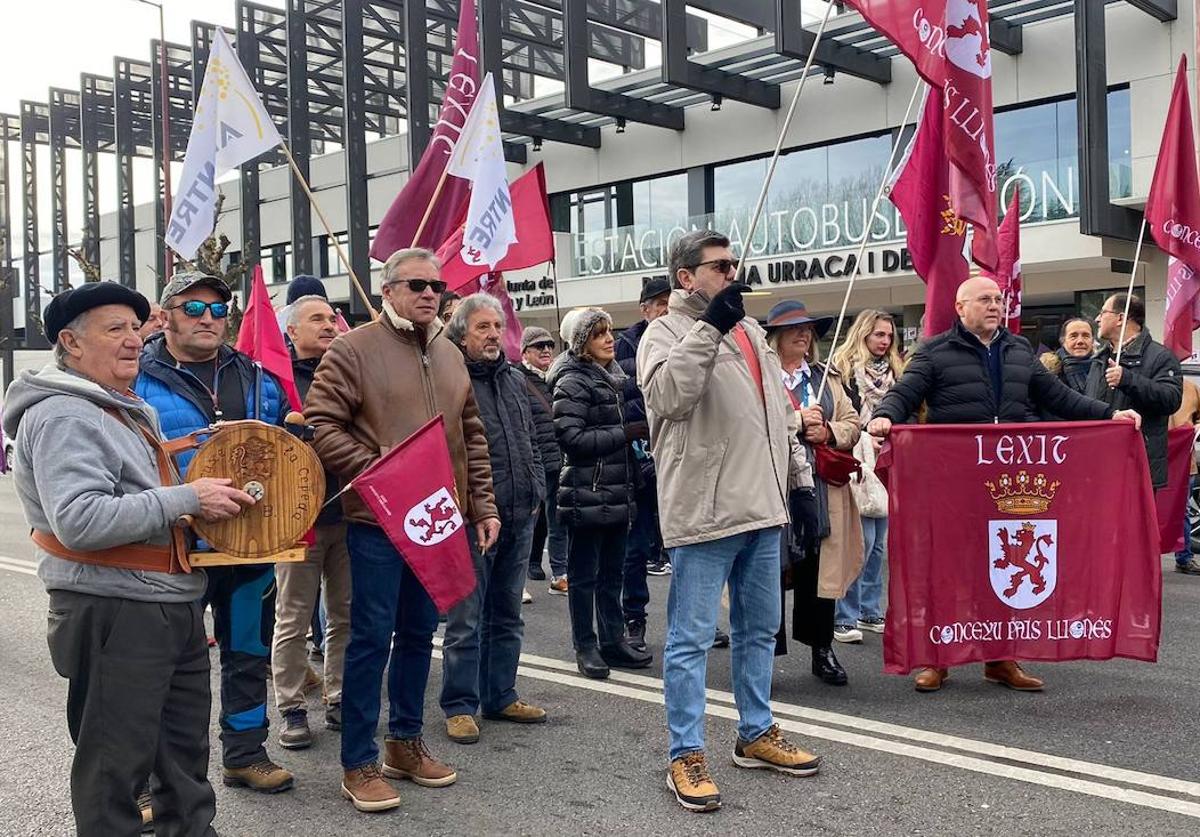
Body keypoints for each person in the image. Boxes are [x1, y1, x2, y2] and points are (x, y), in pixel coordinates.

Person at [3, 282, 254, 834]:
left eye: (135, 328)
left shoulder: (118, 406)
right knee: (114, 773)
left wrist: (194, 506)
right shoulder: (67, 414)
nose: (132, 340)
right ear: (70, 342)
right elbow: (82, 519)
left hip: (163, 601)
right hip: (115, 608)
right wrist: (190, 498)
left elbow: (137, 500)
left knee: (183, 762)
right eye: (113, 329)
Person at [868, 276, 1141, 693]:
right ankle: (938, 658)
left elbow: (1058, 398)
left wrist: (1109, 415)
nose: (995, 305)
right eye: (985, 299)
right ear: (961, 307)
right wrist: (886, 415)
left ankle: (1000, 658)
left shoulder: (1018, 350)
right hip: (955, 479)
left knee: (996, 560)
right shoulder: (935, 351)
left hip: (1007, 480)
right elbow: (905, 393)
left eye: (998, 299)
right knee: (951, 568)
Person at [304, 248, 499, 813]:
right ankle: (358, 763)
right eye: (415, 284)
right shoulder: (352, 348)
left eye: (437, 285)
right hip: (379, 521)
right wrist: (385, 472)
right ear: (386, 290)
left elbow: (471, 434)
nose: (429, 293)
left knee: (419, 636)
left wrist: (481, 505)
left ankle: (404, 744)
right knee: (369, 640)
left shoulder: (448, 352)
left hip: (440, 520)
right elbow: (321, 424)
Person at [638, 230, 821, 813]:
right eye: (719, 265)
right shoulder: (663, 332)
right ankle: (685, 753)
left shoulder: (750, 332)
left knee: (759, 630)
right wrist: (708, 326)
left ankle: (755, 732)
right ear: (686, 276)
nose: (731, 272)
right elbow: (667, 397)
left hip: (762, 508)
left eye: (733, 263)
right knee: (690, 641)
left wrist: (799, 483)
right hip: (706, 512)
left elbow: (774, 421)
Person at [135, 271, 295, 793]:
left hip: (248, 548)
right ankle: (147, 778)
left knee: (248, 655)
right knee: (161, 671)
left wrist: (292, 435)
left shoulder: (257, 377)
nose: (208, 318)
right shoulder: (133, 376)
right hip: (172, 549)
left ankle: (245, 755)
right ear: (167, 316)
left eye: (218, 309)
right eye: (194, 308)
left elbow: (280, 457)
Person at [441, 295, 548, 745]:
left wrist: (538, 487)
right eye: (482, 327)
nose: (492, 335)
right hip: (473, 517)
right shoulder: (450, 378)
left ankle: (500, 694)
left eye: (497, 326)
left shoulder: (513, 378)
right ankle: (460, 705)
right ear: (462, 333)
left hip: (521, 511)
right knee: (467, 617)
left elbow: (531, 436)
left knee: (507, 614)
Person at [764, 301, 863, 686]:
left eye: (807, 329)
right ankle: (765, 655)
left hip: (820, 488)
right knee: (769, 568)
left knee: (818, 567)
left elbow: (853, 422)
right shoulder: (761, 377)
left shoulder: (825, 377)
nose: (803, 335)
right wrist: (794, 422)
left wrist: (830, 433)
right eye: (793, 330)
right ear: (776, 337)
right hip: (773, 485)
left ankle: (822, 648)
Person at [552, 307, 653, 680]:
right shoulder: (572, 380)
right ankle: (586, 645)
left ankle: (612, 640)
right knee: (583, 577)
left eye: (610, 331)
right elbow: (572, 440)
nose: (610, 339)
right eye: (599, 334)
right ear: (582, 344)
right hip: (586, 490)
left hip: (617, 488)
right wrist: (627, 433)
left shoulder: (614, 377)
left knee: (613, 573)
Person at [273, 295, 350, 748]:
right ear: (292, 330)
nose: (329, 324)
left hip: (349, 512)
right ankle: (292, 707)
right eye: (317, 319)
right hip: (297, 520)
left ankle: (338, 697)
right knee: (294, 618)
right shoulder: (275, 381)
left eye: (331, 318)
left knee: (345, 615)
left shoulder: (348, 373)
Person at [830, 309, 904, 641]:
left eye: (889, 335)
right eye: (878, 335)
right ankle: (844, 614)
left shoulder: (899, 370)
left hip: (889, 462)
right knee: (860, 542)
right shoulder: (843, 369)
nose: (884, 341)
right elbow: (840, 414)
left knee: (878, 546)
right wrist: (863, 435)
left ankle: (870, 611)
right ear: (863, 334)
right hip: (856, 460)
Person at [615, 277, 672, 654]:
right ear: (645, 308)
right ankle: (633, 619)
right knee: (635, 550)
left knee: (683, 548)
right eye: (659, 302)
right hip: (637, 465)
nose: (666, 308)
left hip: (677, 460)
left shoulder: (685, 339)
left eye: (671, 302)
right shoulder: (625, 346)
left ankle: (690, 619)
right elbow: (624, 397)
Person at [1087, 293, 1182, 490]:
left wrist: (1128, 380)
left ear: (1121, 318)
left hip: (1137, 466)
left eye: (1103, 312)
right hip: (1098, 463)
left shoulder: (1160, 357)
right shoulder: (1098, 359)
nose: (1097, 318)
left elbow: (1171, 399)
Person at [519, 325, 568, 594]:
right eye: (539, 346)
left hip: (559, 461)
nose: (547, 349)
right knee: (528, 522)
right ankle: (522, 575)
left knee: (558, 520)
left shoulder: (556, 377)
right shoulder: (517, 378)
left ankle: (559, 573)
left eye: (550, 344)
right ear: (525, 352)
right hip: (533, 463)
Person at [1170, 377, 1200, 575]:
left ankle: (1184, 557)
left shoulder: (1192, 389)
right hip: (1152, 459)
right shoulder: (1146, 384)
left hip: (1184, 463)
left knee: (1182, 512)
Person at [1038, 318, 1094, 395]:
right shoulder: (1048, 372)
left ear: (1093, 341)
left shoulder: (1104, 369)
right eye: (1073, 336)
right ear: (1063, 341)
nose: (1080, 341)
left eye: (1086, 336)